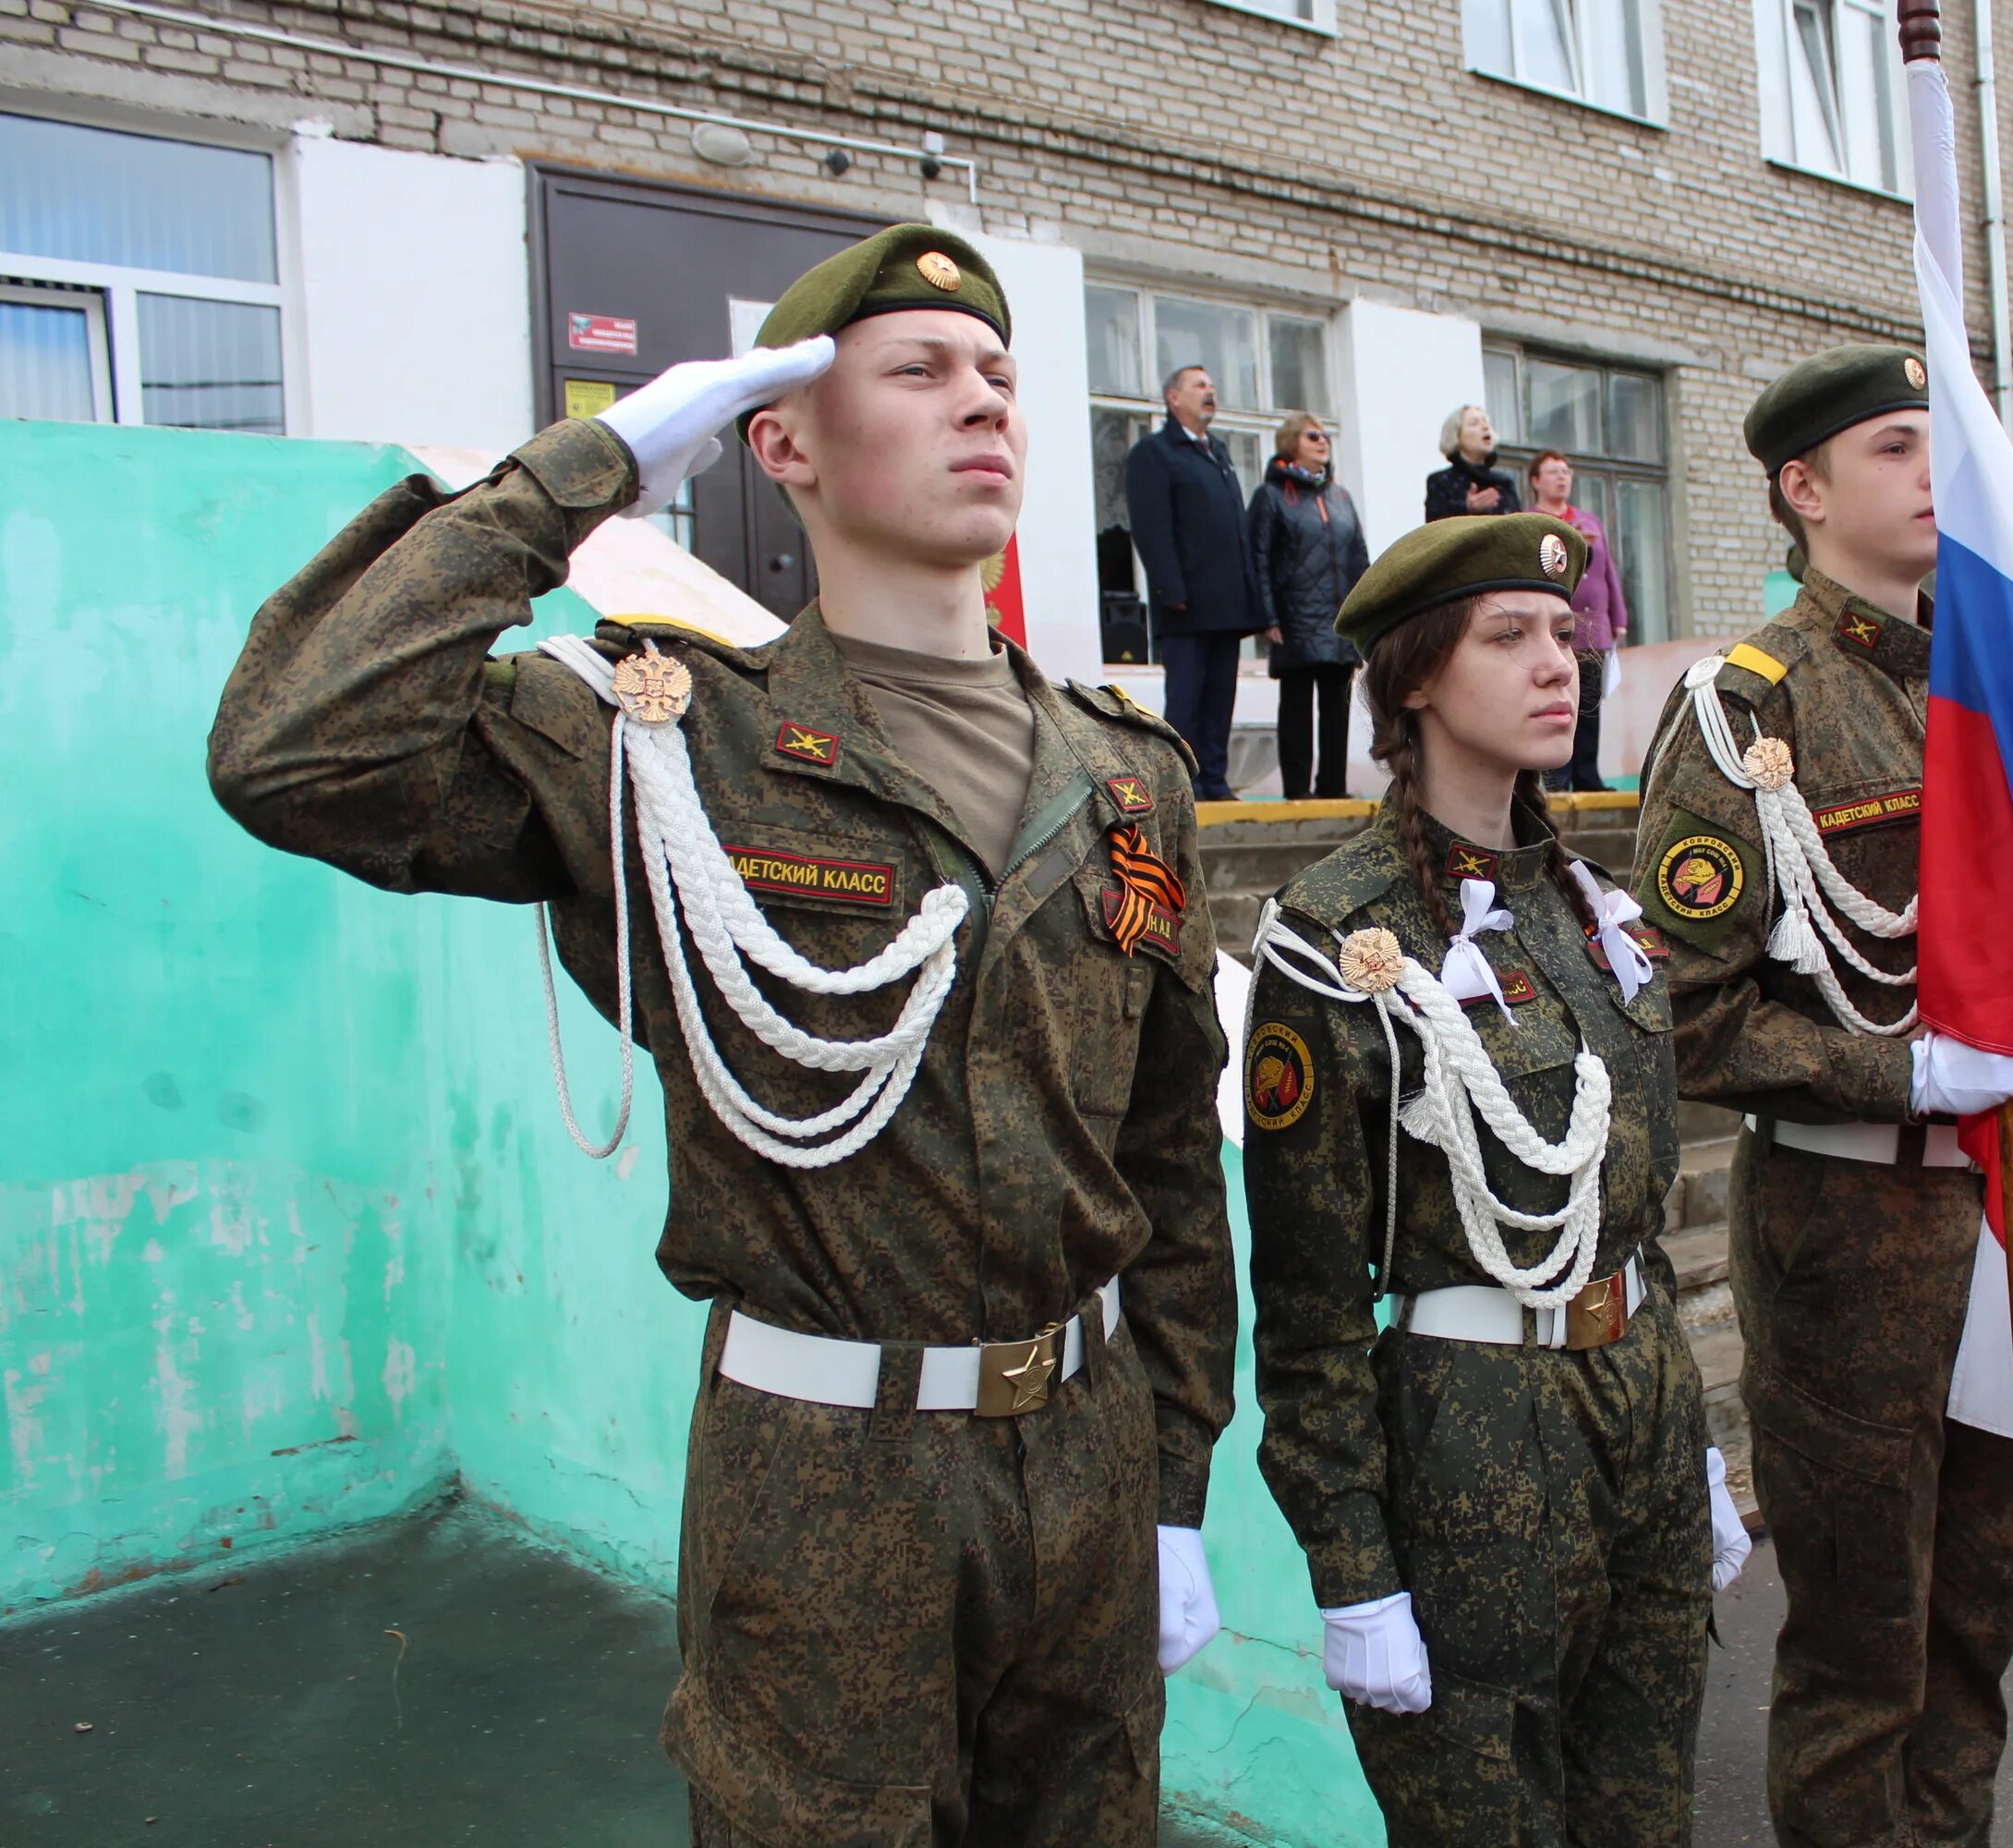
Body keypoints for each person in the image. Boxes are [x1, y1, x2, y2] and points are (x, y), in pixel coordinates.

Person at [208, 225, 1238, 1847]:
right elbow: (295, 748)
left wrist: (1176, 1482)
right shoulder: (664, 734)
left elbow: (1172, 1162)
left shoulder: (1130, 774)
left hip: (1090, 1458)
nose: (984, 402)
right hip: (824, 1472)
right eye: (919, 370)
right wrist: (590, 470)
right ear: (781, 441)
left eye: (1002, 376)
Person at [1243, 512, 1752, 1844]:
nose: (1559, 663)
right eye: (1509, 637)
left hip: (1634, 1411)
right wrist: (1351, 1567)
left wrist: (1686, 1441)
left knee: (1646, 1814)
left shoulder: (1592, 907)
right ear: (1416, 677)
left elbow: (1637, 1216)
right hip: (1467, 1432)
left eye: (1566, 636)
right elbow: (1305, 1306)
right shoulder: (1339, 937)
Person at [1629, 345, 2013, 1847]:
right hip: (1847, 1229)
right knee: (1865, 1647)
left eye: (1943, 444)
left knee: (1982, 1621)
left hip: (2009, 1228)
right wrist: (1903, 1066)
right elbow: (1675, 1010)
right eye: (1892, 447)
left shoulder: (2007, 696)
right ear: (1803, 490)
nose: (1934, 472)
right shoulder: (1750, 708)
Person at [1126, 362, 1269, 799]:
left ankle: (1215, 779)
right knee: (1186, 700)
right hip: (1186, 602)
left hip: (1227, 603)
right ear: (1174, 398)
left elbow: (1236, 530)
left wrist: (1251, 595)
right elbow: (1152, 527)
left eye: (1212, 384)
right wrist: (1170, 588)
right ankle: (1180, 786)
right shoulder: (1154, 453)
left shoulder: (1218, 452)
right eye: (1200, 385)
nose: (1211, 391)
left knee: (1220, 699)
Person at [1248, 413, 1370, 799]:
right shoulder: (1271, 495)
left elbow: (1359, 559)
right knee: (1297, 708)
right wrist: (1267, 616)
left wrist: (1364, 616)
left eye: (1326, 436)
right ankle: (1297, 791)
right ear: (1290, 443)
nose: (1323, 442)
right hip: (1294, 618)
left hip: (1338, 621)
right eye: (1312, 435)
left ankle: (1333, 789)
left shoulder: (1340, 496)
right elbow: (1259, 558)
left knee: (1337, 708)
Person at [1524, 450, 1629, 791]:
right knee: (1556, 705)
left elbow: (1609, 571)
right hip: (1552, 631)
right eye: (1554, 471)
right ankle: (1557, 779)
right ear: (1535, 480)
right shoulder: (1530, 520)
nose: (1562, 477)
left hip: (1594, 627)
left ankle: (1588, 777)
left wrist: (1619, 618)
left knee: (1589, 706)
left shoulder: (1588, 520)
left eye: (1566, 471)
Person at [1423, 404, 1522, 521]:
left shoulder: (1504, 483)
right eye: (1474, 423)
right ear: (1456, 436)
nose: (1485, 427)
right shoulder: (1441, 481)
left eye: (1486, 422)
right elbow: (1434, 529)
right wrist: (1466, 508)